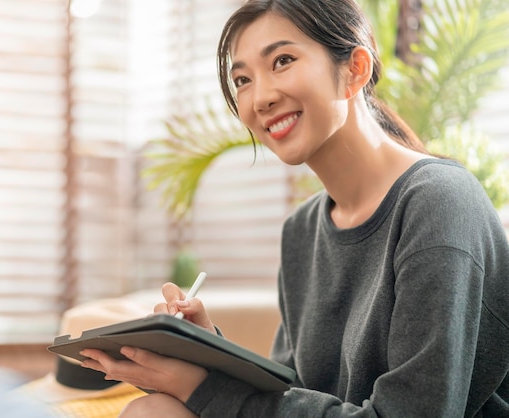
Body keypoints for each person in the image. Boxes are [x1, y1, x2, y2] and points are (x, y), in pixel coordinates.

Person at [78, 0, 509, 416]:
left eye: (282, 61)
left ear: (355, 69)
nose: (259, 98)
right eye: (242, 80)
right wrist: (208, 351)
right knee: (151, 411)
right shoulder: (302, 229)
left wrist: (204, 387)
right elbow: (295, 392)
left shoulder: (438, 202)